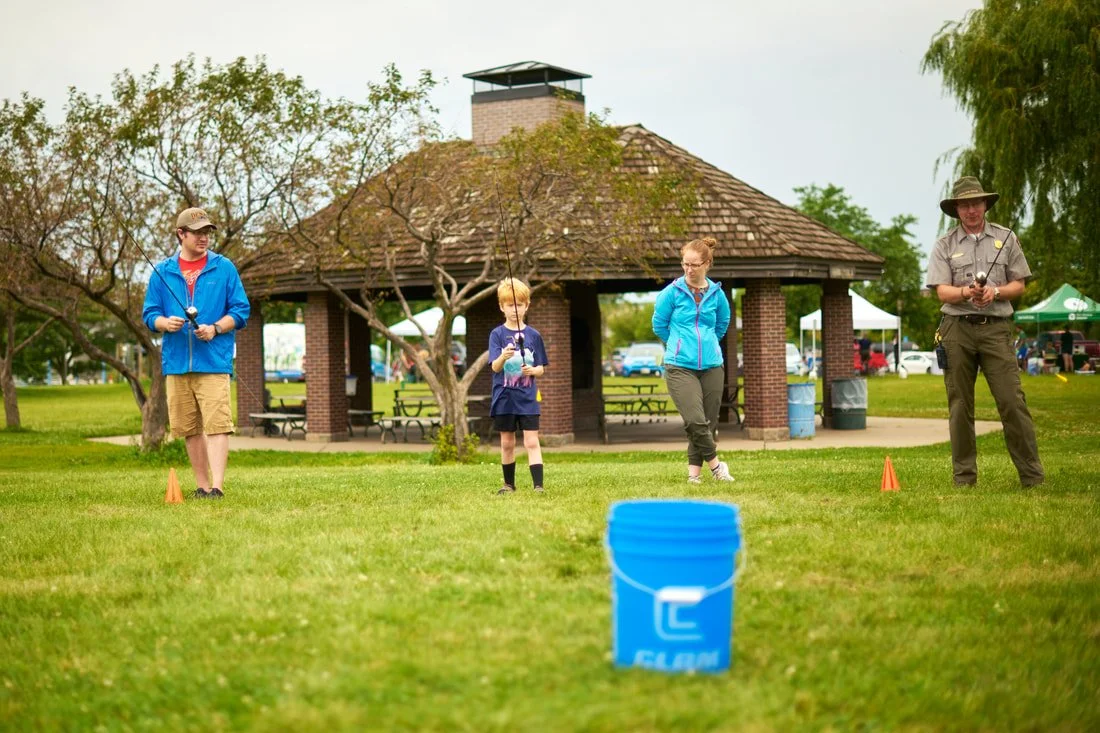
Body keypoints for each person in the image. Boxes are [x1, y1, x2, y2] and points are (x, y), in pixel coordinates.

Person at [925, 177, 1044, 487]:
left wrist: (995, 292)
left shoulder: (1007, 238)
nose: (971, 209)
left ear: (985, 205)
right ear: (957, 210)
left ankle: (1032, 477)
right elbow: (941, 292)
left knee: (1011, 401)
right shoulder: (944, 244)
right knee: (960, 405)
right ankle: (964, 479)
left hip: (997, 329)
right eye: (964, 205)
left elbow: (1019, 284)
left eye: (975, 203)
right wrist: (967, 293)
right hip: (956, 330)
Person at [142, 207, 250, 499]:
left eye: (207, 232)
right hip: (177, 364)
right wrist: (166, 323)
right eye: (198, 232)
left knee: (217, 426)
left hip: (213, 362)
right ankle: (201, 486)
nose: (204, 238)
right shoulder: (162, 272)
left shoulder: (224, 268)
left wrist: (215, 328)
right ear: (181, 234)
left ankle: (218, 487)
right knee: (189, 428)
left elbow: (241, 310)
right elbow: (150, 314)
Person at [652, 236, 735, 484]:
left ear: (707, 263)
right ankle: (717, 467)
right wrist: (678, 345)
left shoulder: (718, 295)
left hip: (712, 367)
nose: (689, 269)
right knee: (694, 420)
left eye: (694, 264)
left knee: (706, 425)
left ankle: (693, 476)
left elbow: (722, 325)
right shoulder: (671, 293)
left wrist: (708, 344)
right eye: (685, 264)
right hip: (679, 366)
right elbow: (659, 324)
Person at [489, 278, 549, 495]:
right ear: (502, 307)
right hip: (504, 396)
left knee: (531, 441)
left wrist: (533, 371)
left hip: (527, 397)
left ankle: (538, 486)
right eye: (510, 305)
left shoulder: (534, 335)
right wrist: (503, 357)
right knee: (507, 442)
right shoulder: (496, 335)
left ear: (527, 305)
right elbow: (495, 368)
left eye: (520, 304)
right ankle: (508, 484)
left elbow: (541, 367)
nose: (515, 310)